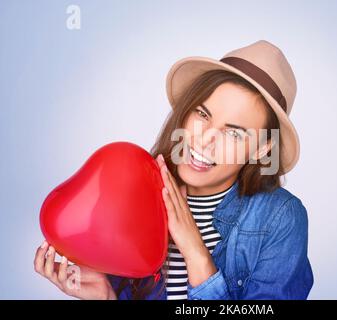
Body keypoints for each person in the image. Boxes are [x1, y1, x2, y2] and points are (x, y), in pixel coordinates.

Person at [34, 40, 313, 300]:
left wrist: (196, 254)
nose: (204, 140)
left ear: (262, 149)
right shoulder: (134, 191)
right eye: (202, 114)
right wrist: (108, 296)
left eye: (234, 133)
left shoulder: (279, 219)